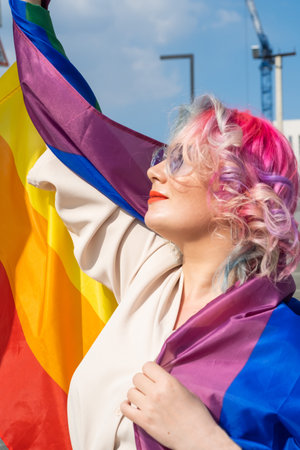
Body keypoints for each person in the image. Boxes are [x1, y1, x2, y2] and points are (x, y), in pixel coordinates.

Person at [22, 1, 300, 449]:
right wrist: (30, 14)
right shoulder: (149, 272)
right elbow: (77, 136)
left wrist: (200, 438)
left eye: (180, 161)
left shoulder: (287, 351)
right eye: (161, 158)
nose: (154, 173)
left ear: (238, 195)